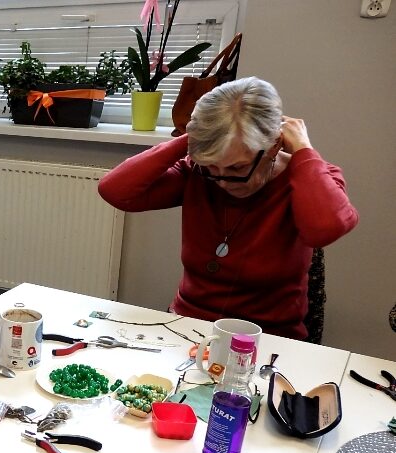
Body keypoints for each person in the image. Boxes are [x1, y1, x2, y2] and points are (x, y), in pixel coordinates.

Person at [98, 77, 358, 341]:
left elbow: (325, 229)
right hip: (188, 327)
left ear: (274, 145)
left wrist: (303, 150)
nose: (222, 181)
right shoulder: (197, 172)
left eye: (237, 168)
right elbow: (115, 191)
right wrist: (198, 139)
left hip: (269, 339)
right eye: (212, 168)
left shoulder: (307, 176)